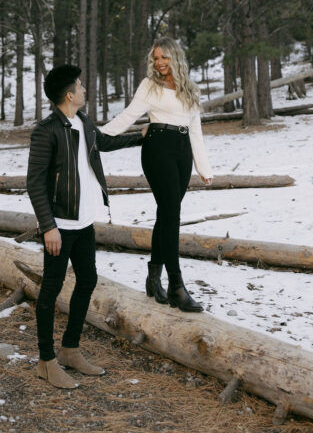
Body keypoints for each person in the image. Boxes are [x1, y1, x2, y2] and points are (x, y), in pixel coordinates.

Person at [26, 64, 143, 389]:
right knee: (50, 289)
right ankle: (46, 361)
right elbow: (34, 182)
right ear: (69, 95)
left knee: (87, 279)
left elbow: (103, 142)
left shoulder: (83, 121)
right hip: (60, 226)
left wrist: (140, 138)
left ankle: (70, 349)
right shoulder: (46, 130)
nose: (84, 89)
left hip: (84, 222)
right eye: (79, 86)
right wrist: (48, 226)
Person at [102, 36, 212, 313]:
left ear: (175, 58)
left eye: (164, 57)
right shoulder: (149, 86)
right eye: (155, 58)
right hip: (157, 148)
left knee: (166, 215)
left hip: (182, 151)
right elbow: (128, 116)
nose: (159, 63)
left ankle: (153, 278)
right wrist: (97, 135)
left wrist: (203, 167)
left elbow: (195, 129)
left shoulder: (191, 89)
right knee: (172, 214)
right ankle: (176, 286)